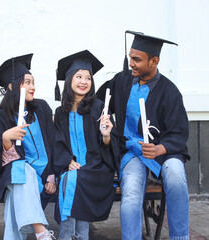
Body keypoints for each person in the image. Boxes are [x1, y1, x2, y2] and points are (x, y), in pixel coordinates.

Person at [96, 30, 190, 240]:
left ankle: (180, 237)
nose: (131, 63)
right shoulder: (122, 81)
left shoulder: (169, 92)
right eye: (130, 58)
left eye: (137, 59)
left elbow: (180, 132)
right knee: (130, 194)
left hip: (163, 152)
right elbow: (98, 101)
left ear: (154, 61)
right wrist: (73, 109)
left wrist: (159, 148)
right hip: (131, 151)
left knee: (175, 175)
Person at [0, 54, 56, 240]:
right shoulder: (0, 117)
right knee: (21, 169)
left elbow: (53, 144)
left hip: (42, 174)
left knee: (15, 196)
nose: (33, 87)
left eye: (33, 82)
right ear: (12, 86)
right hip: (10, 175)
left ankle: (39, 233)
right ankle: (41, 232)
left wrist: (51, 176)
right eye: (26, 82)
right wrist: (6, 140)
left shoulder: (41, 109)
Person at [53, 50, 119, 240]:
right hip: (72, 167)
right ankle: (80, 236)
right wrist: (67, 160)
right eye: (79, 76)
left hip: (96, 168)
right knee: (69, 178)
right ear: (69, 80)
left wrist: (106, 135)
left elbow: (110, 146)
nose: (84, 82)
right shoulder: (60, 112)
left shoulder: (99, 108)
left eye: (88, 78)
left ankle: (66, 236)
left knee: (70, 180)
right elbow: (57, 142)